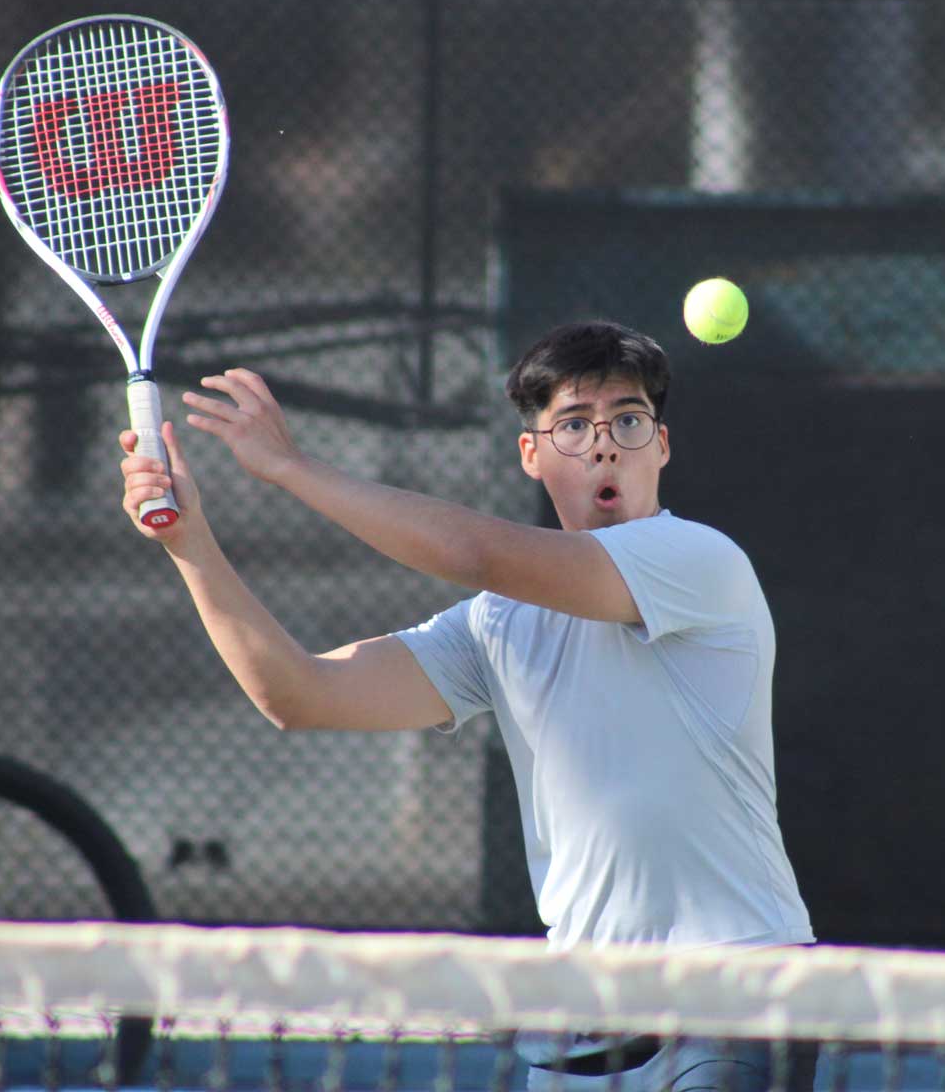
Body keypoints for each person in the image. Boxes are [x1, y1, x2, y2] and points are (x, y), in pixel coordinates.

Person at [120, 321, 815, 1091]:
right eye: (574, 425)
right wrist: (190, 545)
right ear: (532, 455)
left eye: (628, 419)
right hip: (582, 1018)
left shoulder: (702, 563)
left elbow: (475, 551)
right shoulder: (497, 623)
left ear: (661, 446)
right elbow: (298, 693)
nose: (605, 443)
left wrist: (289, 467)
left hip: (735, 992)